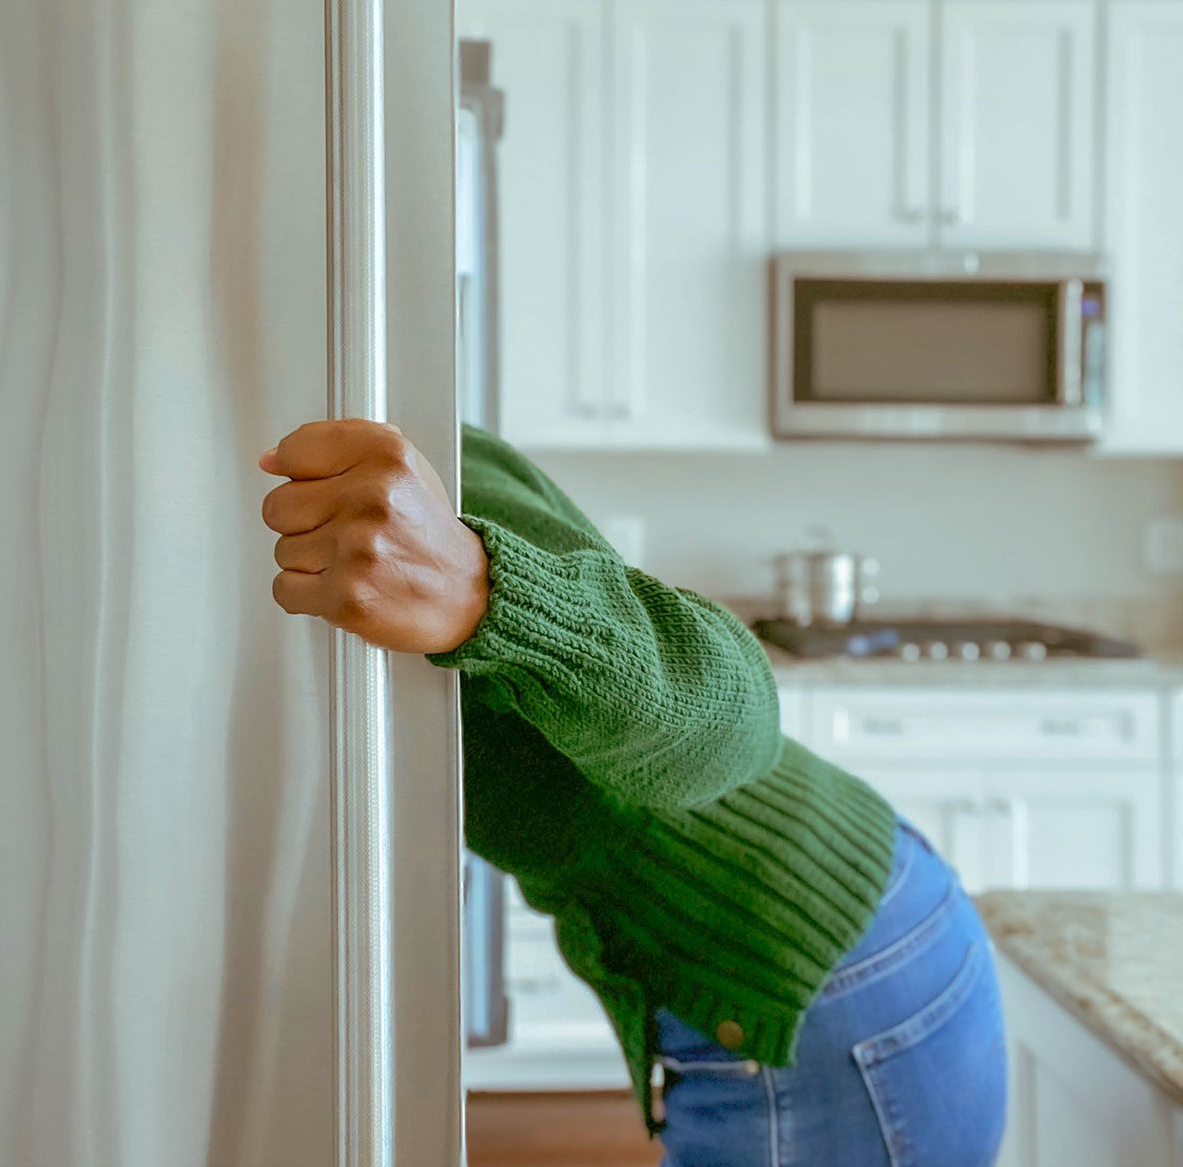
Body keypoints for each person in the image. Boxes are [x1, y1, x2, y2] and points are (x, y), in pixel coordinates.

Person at [258, 418, 1008, 1167]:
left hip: (820, 973)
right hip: (844, 920)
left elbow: (737, 716)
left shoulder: (406, 452)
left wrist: (490, 595)